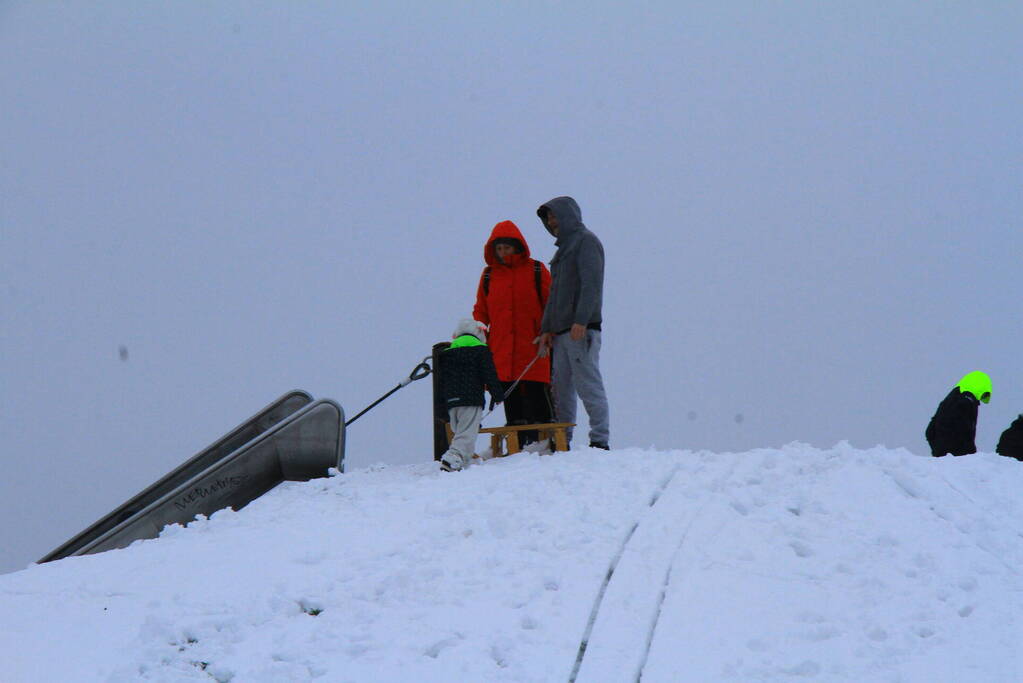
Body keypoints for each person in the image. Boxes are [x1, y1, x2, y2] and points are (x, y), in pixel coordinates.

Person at [534, 196, 610, 450]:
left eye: (554, 215)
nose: (551, 222)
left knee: (587, 383)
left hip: (580, 329)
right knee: (561, 389)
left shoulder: (586, 242)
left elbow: (592, 285)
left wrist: (582, 320)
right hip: (560, 333)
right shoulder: (561, 252)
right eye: (547, 218)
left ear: (568, 214)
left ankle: (599, 439)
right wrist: (546, 329)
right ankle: (562, 440)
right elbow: (555, 296)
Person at [472, 220, 553, 446]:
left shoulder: (537, 270)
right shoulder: (488, 275)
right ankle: (519, 449)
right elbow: (481, 310)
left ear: (517, 246)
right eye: (498, 248)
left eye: (506, 247)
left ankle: (544, 445)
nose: (503, 252)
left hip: (534, 348)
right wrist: (477, 334)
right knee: (510, 399)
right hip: (501, 349)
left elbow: (551, 305)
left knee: (538, 398)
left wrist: (549, 333)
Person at [437, 318, 504, 472]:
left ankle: (463, 460)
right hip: (471, 399)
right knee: (467, 433)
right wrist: (497, 394)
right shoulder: (480, 351)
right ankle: (453, 457)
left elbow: (442, 382)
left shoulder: (447, 354)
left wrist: (441, 406)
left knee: (460, 431)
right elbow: (490, 375)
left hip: (451, 401)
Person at [925, 371, 991, 457]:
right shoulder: (968, 401)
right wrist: (971, 455)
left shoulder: (949, 399)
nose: (981, 399)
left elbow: (930, 431)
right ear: (980, 387)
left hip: (941, 455)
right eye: (984, 394)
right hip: (958, 456)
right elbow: (966, 430)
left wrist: (939, 450)